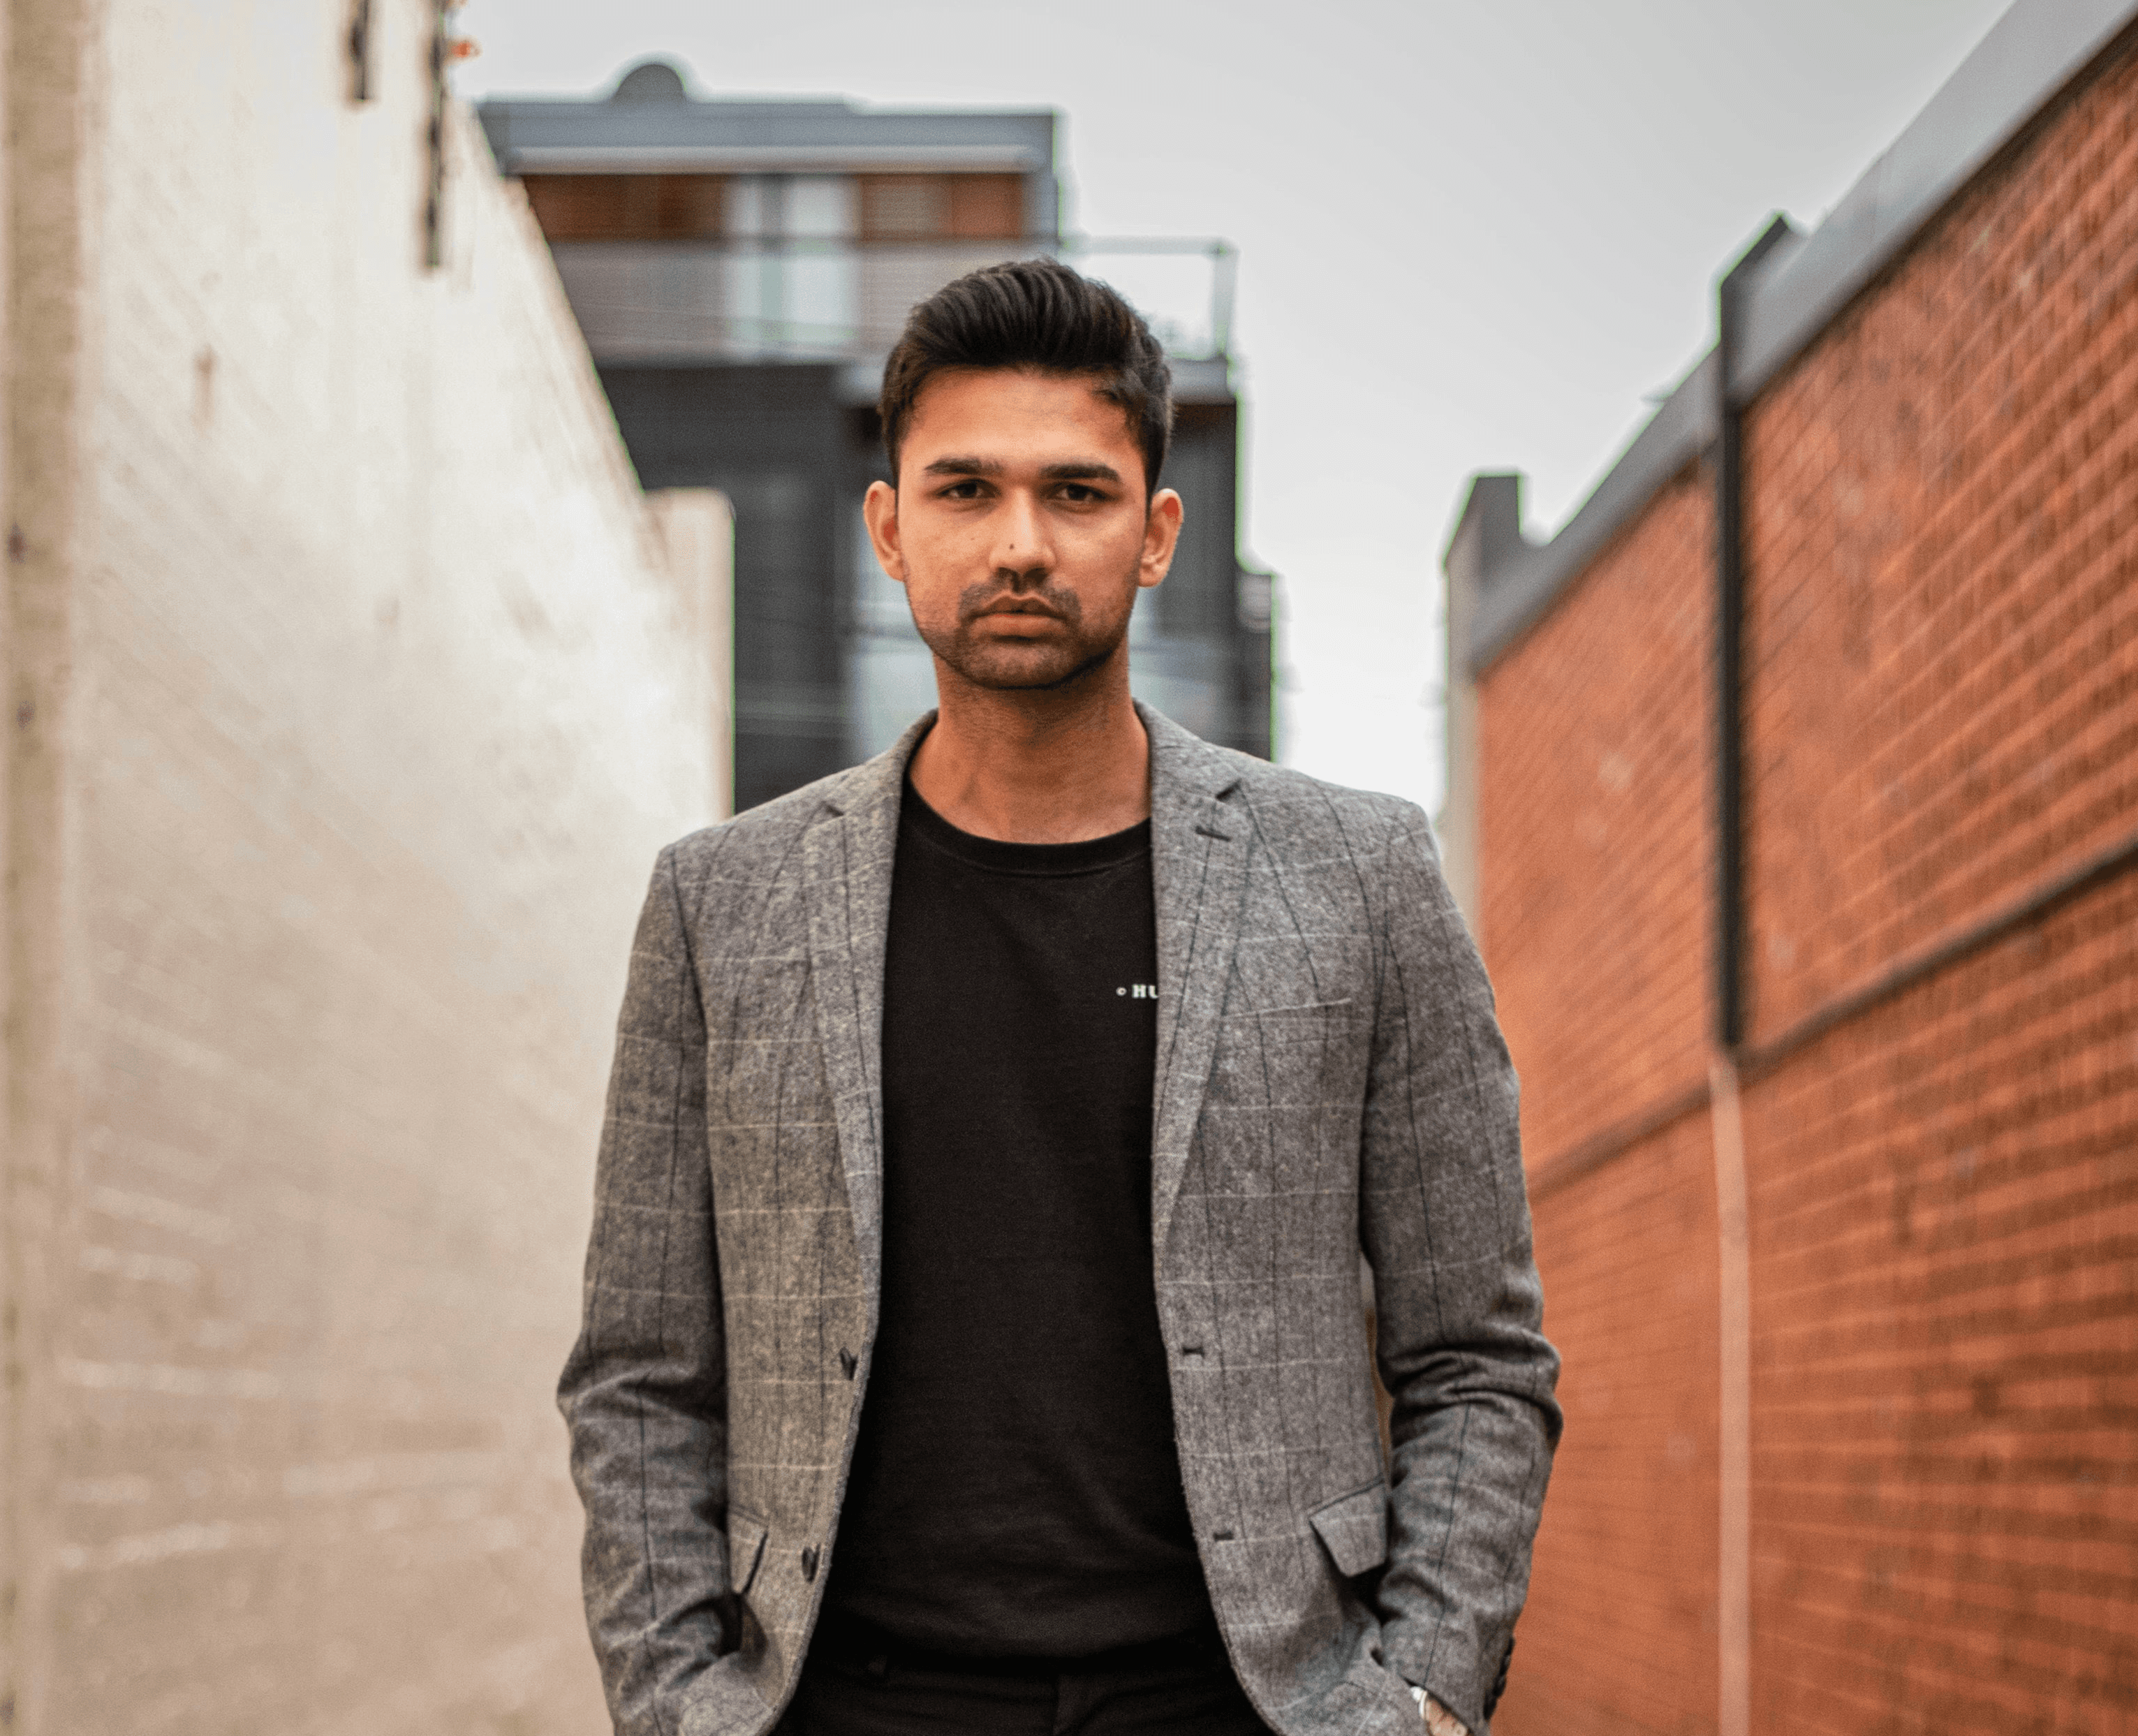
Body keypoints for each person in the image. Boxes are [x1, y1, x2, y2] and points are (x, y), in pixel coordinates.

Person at [559, 258, 1561, 1736]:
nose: (1020, 542)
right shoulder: (724, 903)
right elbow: (641, 1375)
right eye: (963, 491)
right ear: (887, 530)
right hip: (847, 1701)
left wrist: (1411, 1698)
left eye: (1076, 494)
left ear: (1154, 534)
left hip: (1240, 1700)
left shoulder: (1357, 876)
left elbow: (1477, 1357)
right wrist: (682, 1708)